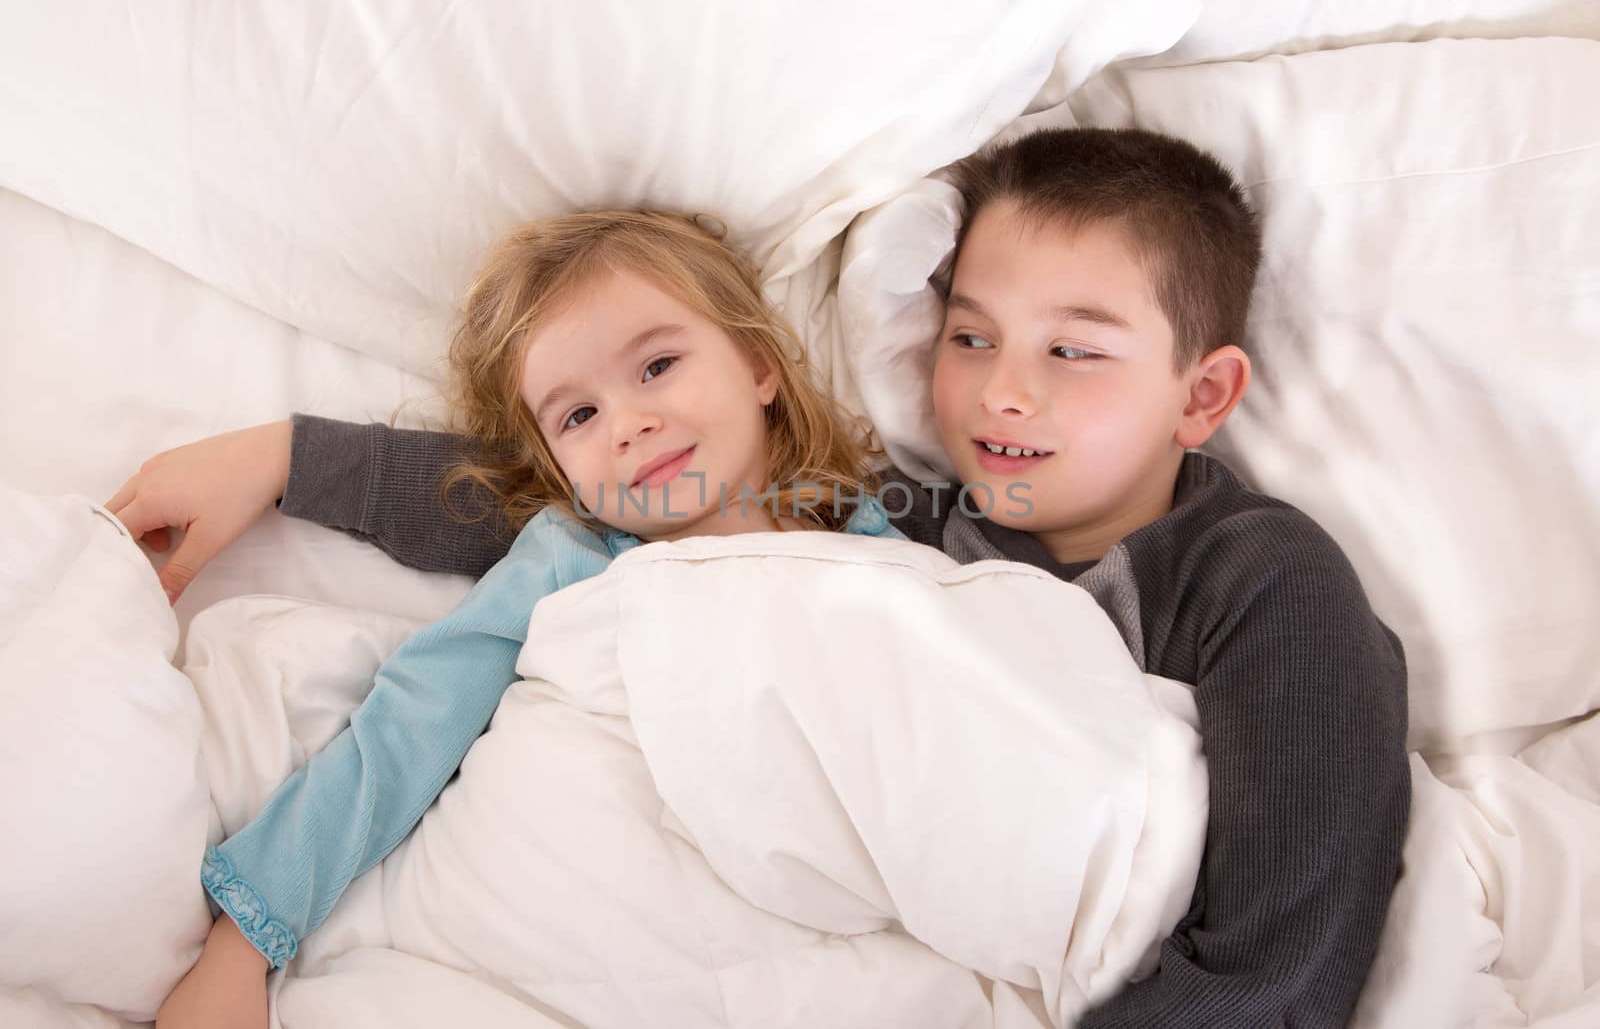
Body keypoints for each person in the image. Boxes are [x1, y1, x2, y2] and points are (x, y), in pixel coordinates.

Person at [118, 128, 1410, 1027]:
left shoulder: (1265, 580)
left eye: (1074, 348)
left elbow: (1290, 949)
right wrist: (281, 455)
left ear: (1206, 394)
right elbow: (588, 504)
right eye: (971, 335)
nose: (1006, 387)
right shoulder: (906, 512)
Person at [138, 210, 906, 1028]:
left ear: (759, 364)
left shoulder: (880, 542)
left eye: (658, 364)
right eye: (578, 416)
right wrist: (245, 941)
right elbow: (411, 724)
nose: (627, 425)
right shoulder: (573, 556)